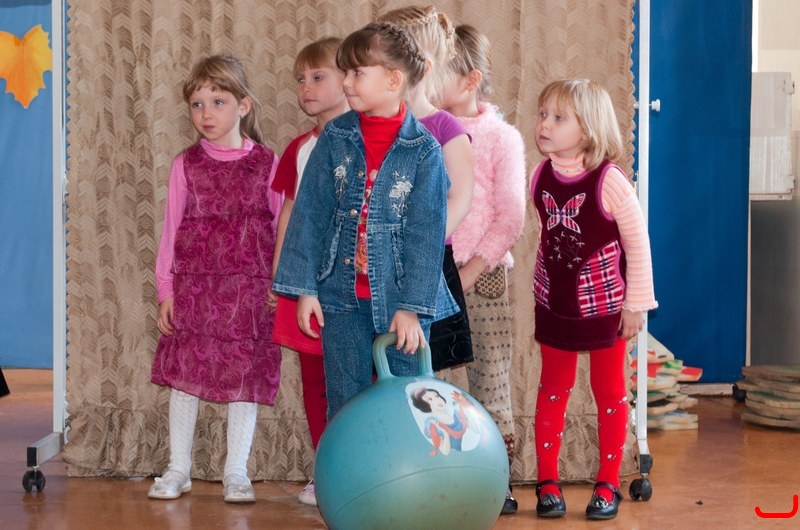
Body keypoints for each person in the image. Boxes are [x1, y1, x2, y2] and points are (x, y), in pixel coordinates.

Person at [272, 23, 458, 424]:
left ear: (393, 80)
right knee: (345, 400)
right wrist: (306, 289)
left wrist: (411, 309)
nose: (347, 82)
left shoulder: (424, 150)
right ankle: (349, 466)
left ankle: (405, 466)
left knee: (407, 399)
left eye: (357, 72)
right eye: (345, 72)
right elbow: (310, 213)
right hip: (339, 298)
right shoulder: (335, 137)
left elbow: (426, 236)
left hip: (399, 300)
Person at [148, 54, 282, 504]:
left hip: (249, 295)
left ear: (243, 105)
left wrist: (280, 284)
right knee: (186, 379)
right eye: (197, 104)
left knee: (244, 378)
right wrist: (166, 290)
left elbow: (282, 228)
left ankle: (236, 472)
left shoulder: (267, 163)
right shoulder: (185, 164)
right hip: (196, 293)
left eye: (218, 102)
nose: (206, 114)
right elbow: (170, 232)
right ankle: (178, 468)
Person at [529, 79, 658, 520]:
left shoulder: (610, 181)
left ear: (587, 130)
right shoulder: (539, 175)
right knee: (552, 388)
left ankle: (607, 482)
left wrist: (635, 305)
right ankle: (548, 482)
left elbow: (637, 246)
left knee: (610, 392)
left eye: (558, 118)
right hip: (554, 302)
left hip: (604, 306)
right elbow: (548, 238)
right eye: (542, 115)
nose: (544, 124)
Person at [439, 24, 527, 515]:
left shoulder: (501, 138)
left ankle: (498, 481)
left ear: (470, 80)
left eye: (440, 72)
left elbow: (511, 217)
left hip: (484, 277)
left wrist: (471, 269)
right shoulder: (424, 132)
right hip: (433, 274)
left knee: (490, 379)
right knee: (433, 382)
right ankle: (442, 479)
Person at [270, 36, 349, 507]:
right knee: (317, 382)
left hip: (355, 284)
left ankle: (364, 470)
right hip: (309, 286)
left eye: (318, 77)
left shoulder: (369, 139)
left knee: (359, 379)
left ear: (349, 79)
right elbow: (289, 212)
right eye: (301, 79)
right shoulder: (300, 148)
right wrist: (282, 274)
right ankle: (327, 472)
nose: (306, 88)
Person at [377, 4, 475, 373]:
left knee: (422, 374)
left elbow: (460, 198)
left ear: (422, 68)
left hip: (427, 265)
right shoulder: (367, 125)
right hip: (374, 263)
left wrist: (420, 245)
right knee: (380, 367)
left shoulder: (446, 128)